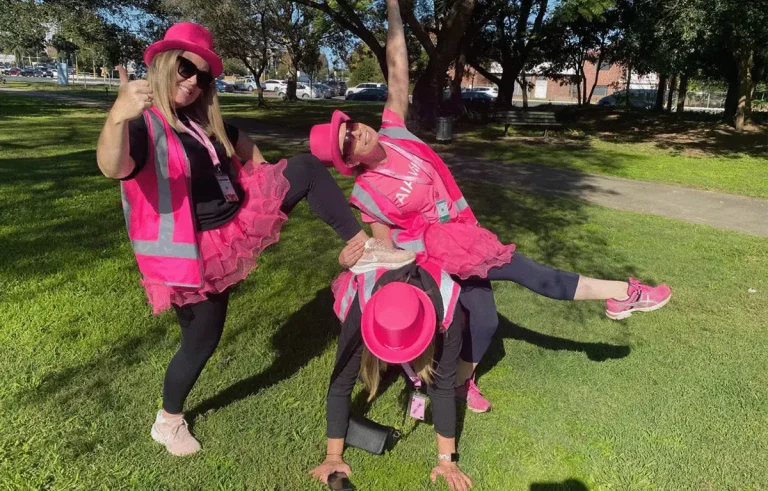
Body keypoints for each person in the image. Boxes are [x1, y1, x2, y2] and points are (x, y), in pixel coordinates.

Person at [309, 1, 672, 414]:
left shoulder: (395, 130)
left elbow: (397, 70)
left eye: (351, 126)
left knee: (485, 320)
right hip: (430, 256)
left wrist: (393, 7)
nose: (357, 133)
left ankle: (461, 382)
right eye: (348, 142)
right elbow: (388, 250)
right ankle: (624, 293)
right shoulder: (368, 196)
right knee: (527, 275)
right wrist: (361, 262)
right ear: (349, 160)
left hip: (462, 235)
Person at [95, 22, 414, 456]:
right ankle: (167, 422)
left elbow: (246, 146)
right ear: (165, 65)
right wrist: (117, 115)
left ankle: (365, 249)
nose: (191, 82)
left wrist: (261, 181)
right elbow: (113, 167)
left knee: (302, 168)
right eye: (185, 69)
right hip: (195, 253)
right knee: (201, 341)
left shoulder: (206, 122)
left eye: (202, 77)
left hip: (238, 222)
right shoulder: (141, 125)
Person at [309, 262, 474, 491]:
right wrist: (333, 457)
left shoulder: (448, 314)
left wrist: (447, 463)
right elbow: (340, 383)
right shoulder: (362, 306)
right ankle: (391, 362)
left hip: (433, 311)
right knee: (355, 372)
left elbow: (442, 386)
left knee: (431, 377)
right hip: (374, 306)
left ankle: (405, 366)